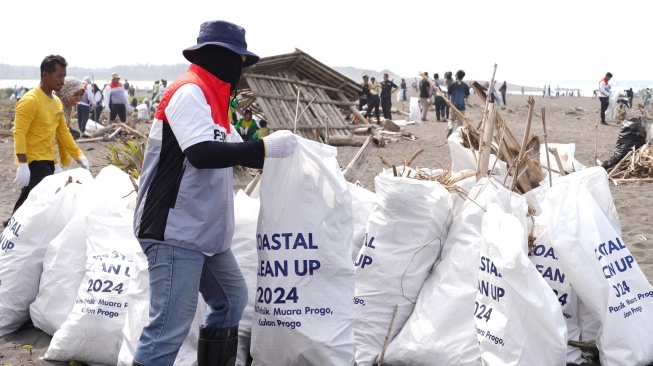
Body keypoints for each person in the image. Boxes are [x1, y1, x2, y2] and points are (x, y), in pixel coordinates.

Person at [132, 20, 297, 366]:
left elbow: (241, 151)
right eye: (239, 61)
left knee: (231, 299)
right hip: (174, 230)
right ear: (219, 57)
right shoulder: (188, 91)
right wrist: (265, 147)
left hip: (205, 232)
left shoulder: (216, 103)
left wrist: (287, 159)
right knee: (168, 326)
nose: (241, 70)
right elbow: (202, 153)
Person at [7, 55, 89, 224]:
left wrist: (79, 155)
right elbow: (19, 133)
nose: (62, 80)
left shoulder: (57, 102)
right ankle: (12, 227)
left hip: (48, 160)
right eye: (59, 76)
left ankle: (12, 225)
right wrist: (22, 165)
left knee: (32, 199)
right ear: (45, 75)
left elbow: (63, 133)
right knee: (35, 200)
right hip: (32, 161)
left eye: (64, 76)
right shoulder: (30, 100)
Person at [55, 77, 86, 169]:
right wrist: (54, 162)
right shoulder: (53, 106)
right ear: (65, 92)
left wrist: (65, 164)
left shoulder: (68, 109)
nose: (79, 98)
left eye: (81, 95)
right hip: (36, 154)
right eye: (75, 94)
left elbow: (63, 137)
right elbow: (47, 139)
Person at [446, 70, 470, 137]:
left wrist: (449, 100)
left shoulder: (452, 84)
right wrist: (462, 96)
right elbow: (467, 96)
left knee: (451, 119)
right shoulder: (465, 85)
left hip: (453, 105)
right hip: (462, 107)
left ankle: (450, 127)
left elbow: (449, 93)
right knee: (460, 124)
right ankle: (458, 135)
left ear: (457, 76)